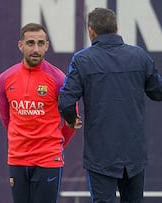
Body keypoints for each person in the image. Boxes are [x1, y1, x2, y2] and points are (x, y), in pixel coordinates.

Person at [58, 8, 162, 203]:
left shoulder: (82, 60)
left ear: (91, 31)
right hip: (134, 154)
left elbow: (65, 102)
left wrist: (71, 120)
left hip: (100, 155)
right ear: (116, 28)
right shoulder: (139, 56)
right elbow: (158, 92)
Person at [0, 23, 81, 203]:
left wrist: (55, 145)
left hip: (48, 159)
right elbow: (7, 119)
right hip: (17, 158)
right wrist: (20, 138)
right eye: (30, 43)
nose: (36, 49)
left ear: (47, 46)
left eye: (41, 43)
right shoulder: (5, 78)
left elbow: (71, 120)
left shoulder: (59, 79)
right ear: (20, 45)